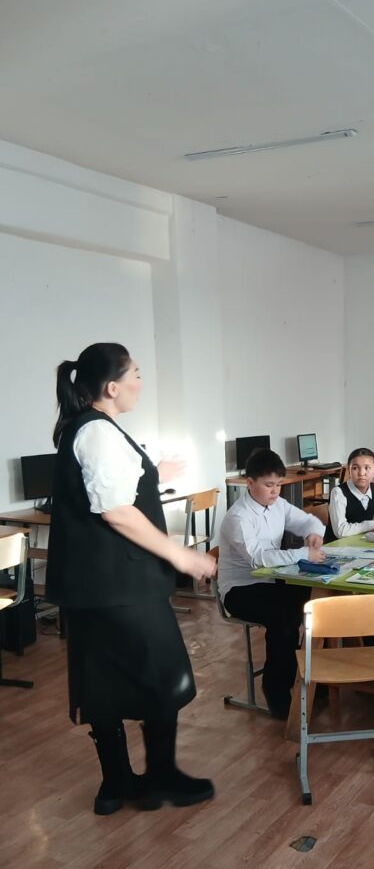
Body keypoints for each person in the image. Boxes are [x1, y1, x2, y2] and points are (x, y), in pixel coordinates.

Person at [46, 343, 216, 816]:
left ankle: (115, 784)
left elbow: (110, 488)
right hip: (122, 586)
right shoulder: (97, 431)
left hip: (92, 588)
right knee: (165, 676)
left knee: (102, 681)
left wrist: (153, 474)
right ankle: (161, 777)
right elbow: (116, 511)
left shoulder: (87, 427)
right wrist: (181, 555)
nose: (141, 382)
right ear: (112, 387)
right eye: (136, 373)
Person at [217, 448, 325, 720]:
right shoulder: (238, 517)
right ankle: (276, 688)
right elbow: (259, 558)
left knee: (319, 599)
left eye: (278, 484)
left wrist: (313, 533)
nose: (275, 491)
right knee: (284, 617)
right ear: (249, 483)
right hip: (240, 589)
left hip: (271, 580)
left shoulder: (277, 505)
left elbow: (307, 520)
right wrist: (303, 553)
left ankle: (311, 675)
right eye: (268, 485)